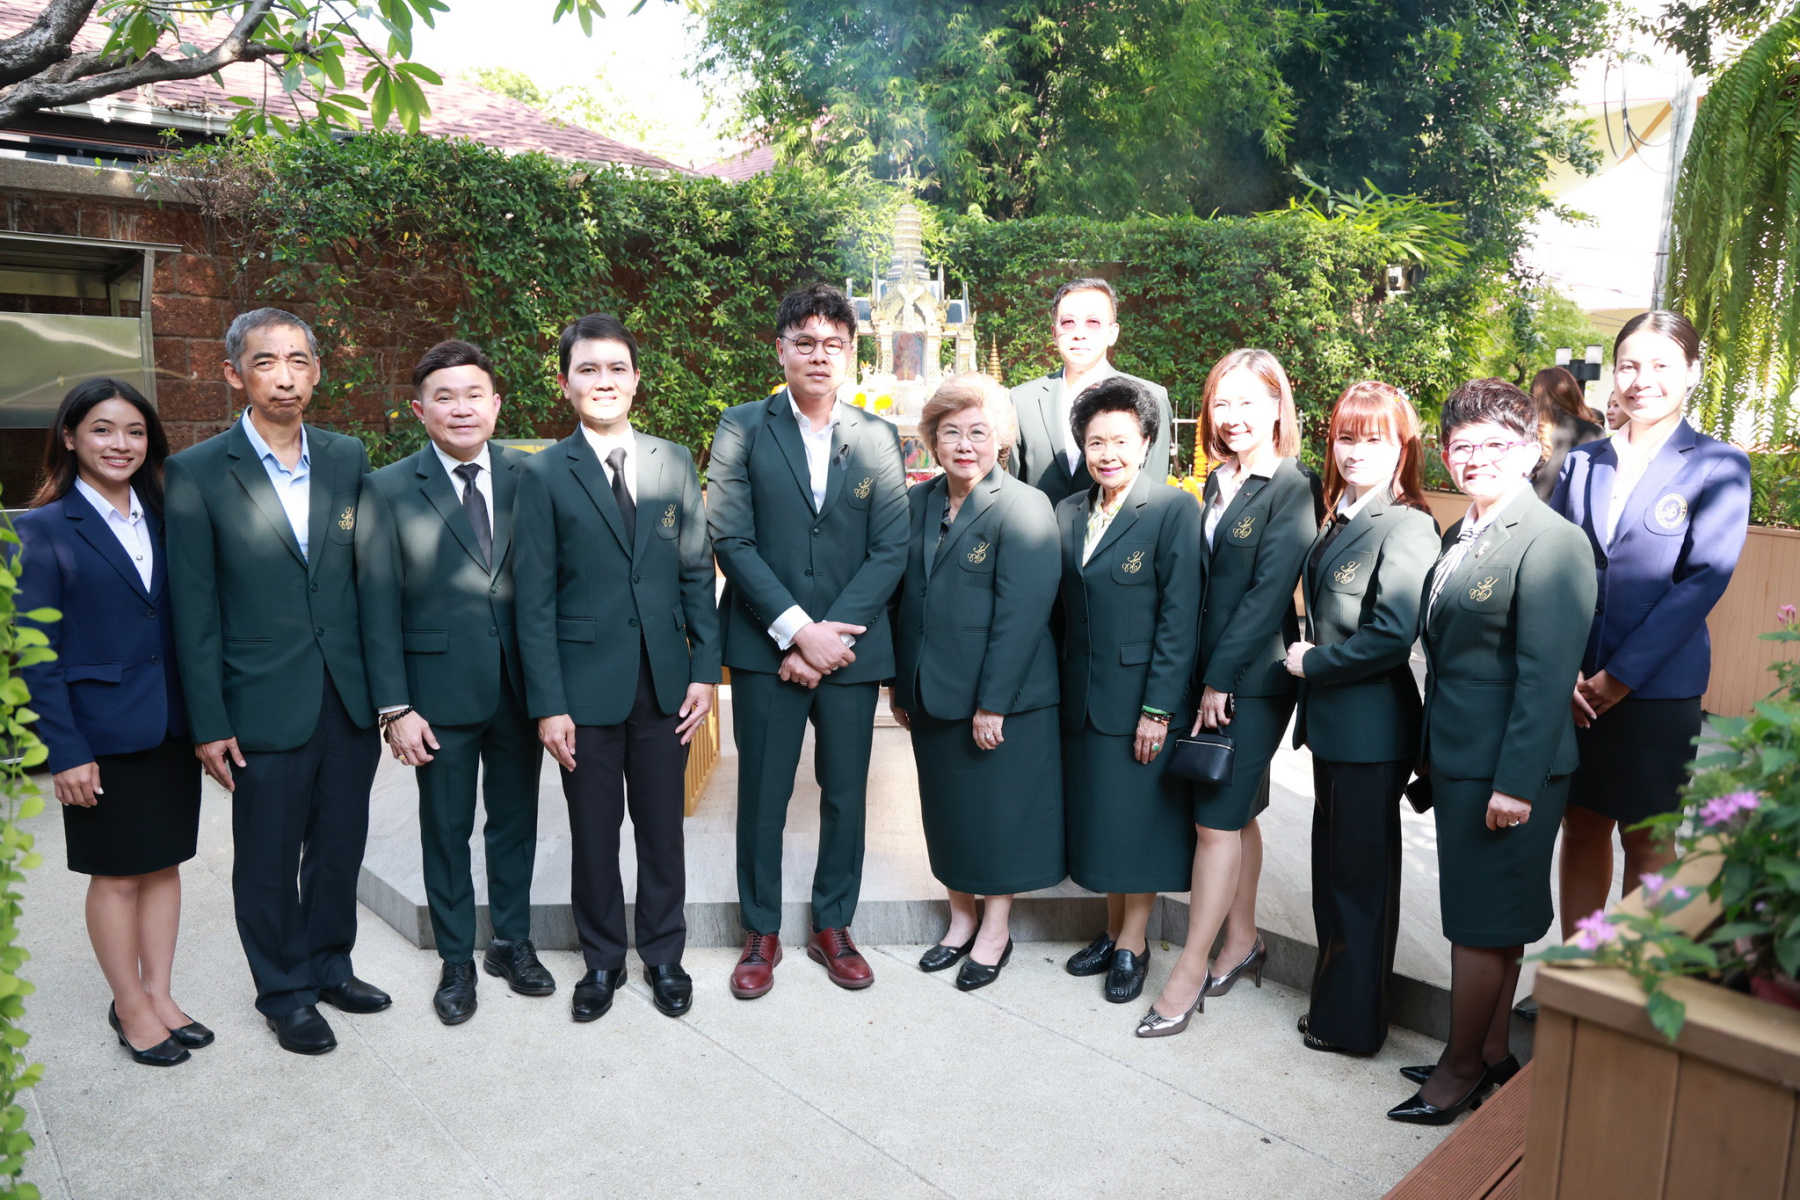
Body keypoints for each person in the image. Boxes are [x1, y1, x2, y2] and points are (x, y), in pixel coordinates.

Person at [165, 308, 388, 1056]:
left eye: (298, 361)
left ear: (317, 370)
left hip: (346, 695)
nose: (285, 377)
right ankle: (285, 993)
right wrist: (208, 721)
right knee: (266, 856)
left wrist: (387, 697)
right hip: (259, 698)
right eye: (266, 362)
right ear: (235, 374)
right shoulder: (197, 472)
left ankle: (329, 966)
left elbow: (363, 582)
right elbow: (194, 610)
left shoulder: (346, 456)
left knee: (340, 844)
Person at [1387, 378, 1595, 1124]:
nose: (1474, 458)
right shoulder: (1462, 533)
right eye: (1461, 445)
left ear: (1531, 449)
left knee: (1479, 925)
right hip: (1462, 759)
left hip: (1509, 771)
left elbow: (1545, 678)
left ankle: (1459, 1069)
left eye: (1494, 444)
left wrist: (1516, 783)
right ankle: (1494, 1051)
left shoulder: (1552, 541)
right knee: (1493, 920)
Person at [515, 314, 720, 1022]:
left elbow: (696, 573)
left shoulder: (674, 461)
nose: (603, 381)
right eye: (588, 369)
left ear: (636, 379)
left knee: (662, 830)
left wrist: (704, 672)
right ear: (565, 383)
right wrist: (548, 704)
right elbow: (534, 600)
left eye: (616, 368)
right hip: (582, 690)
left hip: (666, 684)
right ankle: (602, 959)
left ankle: (664, 954)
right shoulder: (542, 473)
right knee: (594, 833)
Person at [708, 283, 907, 998]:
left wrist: (828, 639)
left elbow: (890, 548)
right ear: (781, 350)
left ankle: (834, 924)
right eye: (804, 343)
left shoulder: (877, 436)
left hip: (850, 653)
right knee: (762, 792)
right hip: (766, 650)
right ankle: (760, 930)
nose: (818, 356)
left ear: (849, 354)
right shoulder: (741, 427)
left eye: (832, 344)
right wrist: (797, 632)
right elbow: (731, 537)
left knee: (846, 793)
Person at [356, 340, 551, 1025]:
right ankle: (457, 959)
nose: (461, 408)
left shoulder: (532, 478)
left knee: (516, 824)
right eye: (444, 397)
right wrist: (395, 707)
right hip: (435, 695)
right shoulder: (385, 488)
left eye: (474, 394)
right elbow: (375, 606)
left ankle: (512, 943)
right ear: (420, 411)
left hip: (520, 689)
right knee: (445, 829)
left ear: (495, 405)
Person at [17, 379, 204, 1067]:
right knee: (118, 874)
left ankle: (160, 994)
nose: (120, 444)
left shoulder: (168, 516)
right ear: (69, 438)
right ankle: (129, 1007)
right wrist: (65, 751)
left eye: (134, 431)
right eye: (102, 429)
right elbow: (34, 654)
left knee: (164, 865)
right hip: (98, 733)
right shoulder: (39, 530)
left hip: (171, 725)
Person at [1550, 311, 1751, 939]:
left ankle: (1631, 977)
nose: (1642, 380)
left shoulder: (1719, 465)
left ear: (1692, 372)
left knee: (1648, 836)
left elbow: (1702, 582)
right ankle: (1580, 965)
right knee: (1582, 824)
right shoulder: (1582, 462)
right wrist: (1567, 669)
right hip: (1577, 687)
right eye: (1629, 365)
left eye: (1661, 365)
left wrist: (1621, 677)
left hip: (1658, 691)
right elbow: (1554, 567)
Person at [1139, 349, 1319, 1037]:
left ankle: (1188, 974)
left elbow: (1267, 595)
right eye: (1222, 402)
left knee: (1214, 824)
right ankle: (1242, 941)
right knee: (1236, 816)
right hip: (1207, 675)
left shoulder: (1291, 486)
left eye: (1249, 402)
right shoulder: (1217, 480)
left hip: (1251, 683)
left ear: (1277, 407)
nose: (1233, 415)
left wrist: (1219, 679)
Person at [889, 374, 1062, 991]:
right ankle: (960, 918)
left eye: (978, 432)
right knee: (947, 812)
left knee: (996, 816)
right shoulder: (918, 502)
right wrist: (900, 685)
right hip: (930, 692)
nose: (965, 445)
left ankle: (994, 929)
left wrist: (993, 704)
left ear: (1001, 440)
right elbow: (903, 600)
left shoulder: (1024, 506)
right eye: (951, 432)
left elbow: (1023, 616)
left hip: (998, 698)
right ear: (932, 441)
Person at [1283, 382, 1440, 1055]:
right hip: (1339, 727)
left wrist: (1313, 663)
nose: (1355, 451)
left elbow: (1391, 635)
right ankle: (1337, 1005)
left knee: (1358, 882)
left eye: (1373, 439)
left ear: (1403, 446)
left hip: (1372, 731)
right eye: (1346, 437)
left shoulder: (1407, 524)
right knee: (1335, 873)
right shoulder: (1340, 515)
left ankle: (1351, 1026)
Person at [1057, 377, 1201, 1006]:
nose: (1108, 453)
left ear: (1146, 442)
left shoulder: (1172, 509)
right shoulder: (1068, 511)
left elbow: (1179, 617)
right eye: (1096, 442)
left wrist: (1158, 710)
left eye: (1121, 440)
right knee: (1106, 820)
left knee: (1139, 824)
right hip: (1083, 697)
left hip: (1142, 698)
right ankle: (1113, 929)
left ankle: (1133, 944)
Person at [1009, 278, 1174, 504]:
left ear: (1113, 333)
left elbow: (1153, 493)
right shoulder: (1022, 400)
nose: (1079, 333)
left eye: (1093, 322)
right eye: (1068, 322)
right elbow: (1015, 489)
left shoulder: (1149, 397)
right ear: (1054, 333)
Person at [1529, 367, 1603, 502]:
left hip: (1529, 508)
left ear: (1534, 394)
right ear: (1573, 392)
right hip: (1572, 509)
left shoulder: (1525, 429)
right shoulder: (1594, 432)